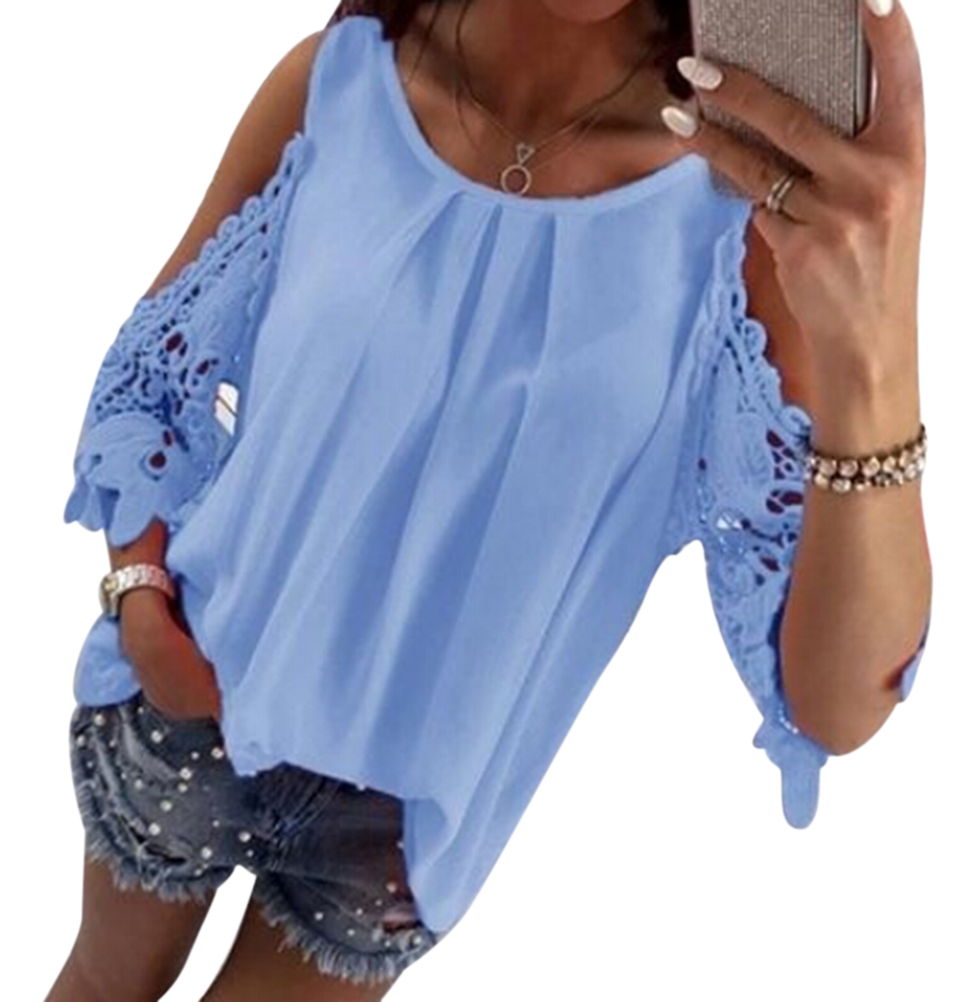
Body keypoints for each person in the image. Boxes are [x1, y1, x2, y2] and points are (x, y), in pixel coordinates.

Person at [47, 0, 932, 999]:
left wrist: (880, 349)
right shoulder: (339, 85)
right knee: (96, 987)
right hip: (186, 691)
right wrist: (138, 597)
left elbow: (837, 701)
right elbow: (147, 385)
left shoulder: (743, 224)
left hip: (397, 824)